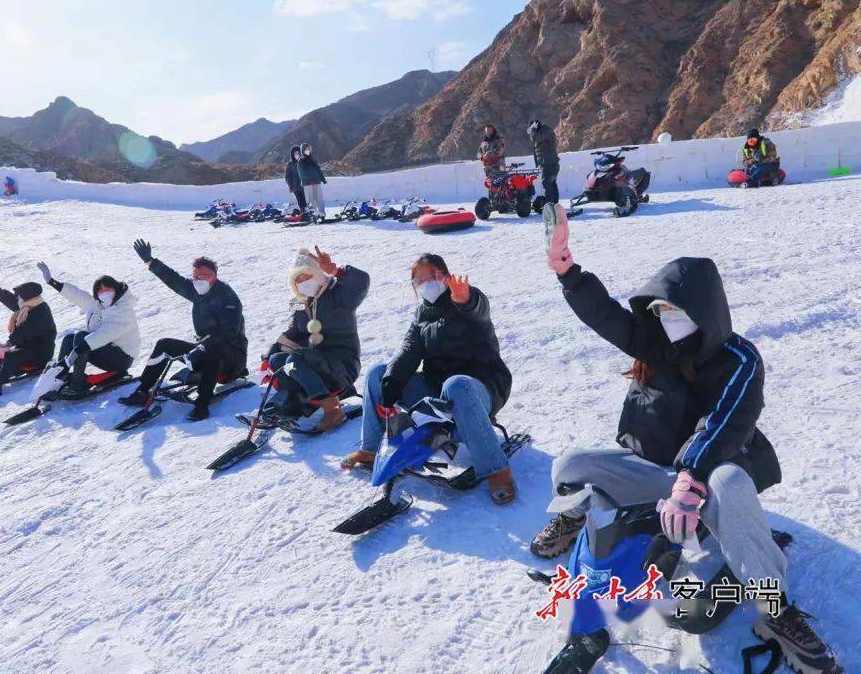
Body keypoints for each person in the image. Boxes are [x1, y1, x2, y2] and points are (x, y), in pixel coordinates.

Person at [533, 205, 841, 673]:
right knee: (571, 463)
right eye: (659, 310)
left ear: (703, 311)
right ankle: (590, 521)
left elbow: (723, 422)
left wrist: (692, 477)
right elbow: (608, 317)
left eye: (675, 310)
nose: (665, 318)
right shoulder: (654, 343)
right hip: (655, 474)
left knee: (729, 487)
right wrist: (569, 275)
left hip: (708, 474)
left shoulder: (740, 360)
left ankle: (770, 605)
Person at [341, 253, 518, 504]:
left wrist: (465, 299)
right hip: (437, 389)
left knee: (456, 384)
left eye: (432, 276)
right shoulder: (422, 313)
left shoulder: (464, 298)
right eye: (419, 280)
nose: (426, 283)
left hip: (480, 387)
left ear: (446, 276)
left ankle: (497, 469)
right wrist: (390, 388)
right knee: (378, 373)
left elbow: (478, 309)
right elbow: (408, 351)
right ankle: (370, 450)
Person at [123, 240, 248, 421]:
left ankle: (202, 406)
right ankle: (143, 390)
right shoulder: (197, 291)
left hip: (231, 358)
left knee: (213, 352)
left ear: (214, 276)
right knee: (164, 345)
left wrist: (202, 347)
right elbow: (174, 280)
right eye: (196, 276)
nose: (199, 280)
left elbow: (228, 333)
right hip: (203, 349)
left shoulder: (228, 297)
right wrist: (150, 261)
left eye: (204, 276)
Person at [265, 247, 369, 431]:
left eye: (307, 276)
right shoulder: (302, 303)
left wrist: (335, 270)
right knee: (278, 361)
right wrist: (270, 354)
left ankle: (332, 409)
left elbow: (361, 281)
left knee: (296, 358)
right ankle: (299, 401)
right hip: (317, 362)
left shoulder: (338, 295)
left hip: (343, 364)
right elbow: (295, 333)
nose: (303, 283)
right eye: (298, 280)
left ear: (317, 275)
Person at [35, 261, 140, 396]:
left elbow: (106, 333)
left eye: (107, 289)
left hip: (121, 358)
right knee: (69, 339)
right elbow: (77, 295)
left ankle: (77, 386)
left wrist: (81, 347)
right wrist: (51, 281)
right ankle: (59, 376)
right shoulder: (97, 305)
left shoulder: (123, 309)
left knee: (81, 337)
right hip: (106, 348)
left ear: (116, 288)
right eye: (100, 290)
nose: (103, 292)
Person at [0, 273, 57, 395]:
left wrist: (9, 343)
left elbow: (23, 333)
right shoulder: (29, 307)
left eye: (19, 297)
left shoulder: (40, 312)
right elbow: (12, 301)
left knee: (10, 355)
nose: (17, 299)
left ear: (27, 299)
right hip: (28, 347)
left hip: (41, 353)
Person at [527, 119, 560, 205]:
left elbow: (535, 138)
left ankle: (550, 206)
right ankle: (555, 205)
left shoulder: (544, 132)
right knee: (552, 184)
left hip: (548, 163)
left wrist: (533, 130)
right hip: (549, 162)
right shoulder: (545, 131)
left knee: (547, 184)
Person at [296, 143, 327, 219]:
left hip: (317, 182)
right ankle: (314, 215)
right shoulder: (301, 160)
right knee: (310, 199)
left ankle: (322, 214)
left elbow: (318, 169)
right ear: (303, 150)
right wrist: (310, 180)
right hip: (307, 184)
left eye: (309, 149)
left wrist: (323, 179)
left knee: (319, 198)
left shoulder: (312, 159)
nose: (308, 150)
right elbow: (301, 173)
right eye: (306, 149)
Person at [284, 146, 308, 213]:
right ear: (292, 154)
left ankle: (309, 213)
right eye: (295, 153)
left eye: (298, 153)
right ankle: (303, 214)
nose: (297, 155)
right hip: (295, 187)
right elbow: (287, 176)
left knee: (306, 201)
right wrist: (290, 186)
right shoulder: (290, 164)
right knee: (300, 202)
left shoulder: (303, 161)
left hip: (304, 186)